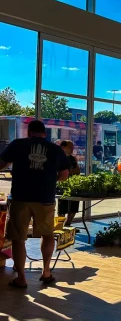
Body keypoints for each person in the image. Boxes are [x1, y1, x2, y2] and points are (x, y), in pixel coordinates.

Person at [0, 120, 69, 288]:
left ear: (29, 132)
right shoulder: (55, 149)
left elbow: (1, 164)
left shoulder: (18, 145)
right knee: (47, 235)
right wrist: (50, 179)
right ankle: (46, 272)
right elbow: (64, 174)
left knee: (18, 238)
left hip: (20, 198)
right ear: (44, 133)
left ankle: (21, 278)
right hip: (45, 198)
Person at [57, 140, 81, 227]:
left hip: (73, 185)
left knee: (74, 207)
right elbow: (60, 172)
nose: (72, 149)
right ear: (63, 147)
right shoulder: (58, 158)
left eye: (73, 147)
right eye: (70, 147)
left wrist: (68, 171)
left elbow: (78, 171)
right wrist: (69, 172)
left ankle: (68, 224)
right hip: (62, 186)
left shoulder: (73, 158)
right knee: (62, 207)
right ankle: (60, 226)